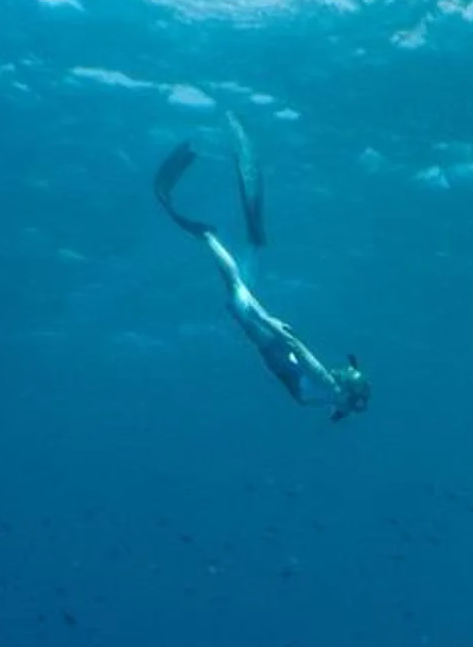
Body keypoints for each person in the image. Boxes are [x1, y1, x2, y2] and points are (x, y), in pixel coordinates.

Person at [155, 112, 369, 421]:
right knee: (237, 283)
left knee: (240, 279)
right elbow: (293, 349)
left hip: (264, 334)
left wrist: (262, 322)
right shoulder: (326, 391)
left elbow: (296, 351)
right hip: (264, 333)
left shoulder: (329, 392)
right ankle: (209, 236)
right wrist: (263, 322)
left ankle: (224, 237)